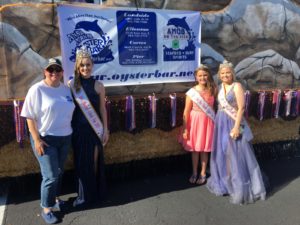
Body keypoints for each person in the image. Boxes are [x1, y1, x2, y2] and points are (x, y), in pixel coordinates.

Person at [21, 58, 75, 224]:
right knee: (51, 176)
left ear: (62, 72)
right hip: (45, 139)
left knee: (59, 172)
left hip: (65, 137)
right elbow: (29, 116)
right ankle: (46, 208)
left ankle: (56, 199)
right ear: (45, 71)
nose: (54, 73)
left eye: (57, 70)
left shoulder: (66, 90)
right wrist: (36, 140)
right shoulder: (37, 89)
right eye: (50, 70)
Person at [206, 60, 266, 204]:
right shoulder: (220, 87)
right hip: (221, 122)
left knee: (237, 152)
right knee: (223, 152)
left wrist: (236, 127)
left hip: (234, 122)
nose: (225, 75)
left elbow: (241, 108)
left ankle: (239, 185)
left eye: (227, 73)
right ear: (219, 75)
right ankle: (227, 182)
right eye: (222, 73)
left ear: (232, 74)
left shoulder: (237, 86)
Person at [70, 47, 109, 207]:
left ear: (92, 65)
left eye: (88, 65)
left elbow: (102, 109)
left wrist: (105, 129)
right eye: (82, 66)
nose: (85, 68)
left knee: (93, 162)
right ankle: (84, 195)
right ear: (78, 68)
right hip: (78, 130)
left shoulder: (99, 85)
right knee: (81, 163)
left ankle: (93, 194)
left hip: (94, 130)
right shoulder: (71, 84)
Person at [180, 65, 217, 185]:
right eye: (200, 75)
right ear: (196, 77)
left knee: (204, 150)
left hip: (208, 122)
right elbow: (186, 111)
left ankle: (203, 173)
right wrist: (185, 129)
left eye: (205, 75)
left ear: (209, 76)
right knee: (195, 149)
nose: (203, 77)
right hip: (195, 122)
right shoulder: (192, 92)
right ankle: (194, 172)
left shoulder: (213, 89)